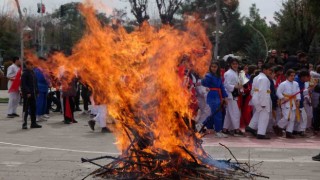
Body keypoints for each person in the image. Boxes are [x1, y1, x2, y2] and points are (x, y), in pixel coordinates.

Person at [201, 61, 228, 137]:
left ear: (218, 68)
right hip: (211, 95)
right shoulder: (208, 76)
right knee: (216, 113)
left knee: (215, 113)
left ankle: (203, 125)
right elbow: (203, 84)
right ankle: (218, 130)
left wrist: (225, 97)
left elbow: (222, 87)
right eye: (212, 66)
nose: (213, 68)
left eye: (215, 67)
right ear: (210, 67)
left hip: (217, 95)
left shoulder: (219, 76)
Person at [245, 64, 272, 139]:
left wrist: (254, 97)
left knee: (258, 112)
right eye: (269, 70)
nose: (270, 71)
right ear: (264, 70)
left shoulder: (256, 77)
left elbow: (253, 90)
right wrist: (263, 103)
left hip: (256, 96)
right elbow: (262, 91)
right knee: (264, 115)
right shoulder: (264, 79)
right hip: (262, 98)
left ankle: (251, 126)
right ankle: (261, 133)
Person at [273, 69, 301, 138]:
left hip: (293, 102)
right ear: (287, 76)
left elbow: (298, 93)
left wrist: (298, 100)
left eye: (294, 75)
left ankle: (289, 132)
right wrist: (283, 97)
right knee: (286, 117)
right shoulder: (283, 84)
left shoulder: (296, 83)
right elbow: (278, 92)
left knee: (292, 118)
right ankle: (278, 126)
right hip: (285, 102)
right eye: (291, 75)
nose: (293, 77)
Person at [222, 58, 244, 136]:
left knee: (229, 113)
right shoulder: (228, 73)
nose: (235, 65)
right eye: (233, 64)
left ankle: (225, 128)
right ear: (230, 65)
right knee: (235, 113)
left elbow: (237, 84)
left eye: (236, 64)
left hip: (234, 95)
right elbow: (226, 85)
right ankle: (236, 129)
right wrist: (236, 86)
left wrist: (240, 88)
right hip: (230, 95)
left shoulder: (235, 72)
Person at [21, 61, 42, 129]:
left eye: (32, 65)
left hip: (33, 94)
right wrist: (28, 92)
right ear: (26, 65)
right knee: (26, 109)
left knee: (33, 108)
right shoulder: (25, 73)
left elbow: (35, 83)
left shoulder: (33, 73)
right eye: (30, 65)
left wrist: (37, 91)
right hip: (27, 95)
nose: (32, 66)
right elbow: (24, 84)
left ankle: (33, 123)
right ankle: (24, 123)